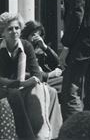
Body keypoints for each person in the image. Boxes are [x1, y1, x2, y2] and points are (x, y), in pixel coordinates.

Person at [0, 12, 63, 140]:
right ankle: (29, 137)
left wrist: (26, 81)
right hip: (5, 88)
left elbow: (37, 76)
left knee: (49, 91)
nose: (14, 31)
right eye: (10, 29)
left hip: (19, 84)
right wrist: (21, 83)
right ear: (3, 33)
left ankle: (53, 135)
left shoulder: (26, 46)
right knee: (15, 94)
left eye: (17, 28)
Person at [20, 21, 63, 91]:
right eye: (33, 35)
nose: (36, 38)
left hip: (43, 81)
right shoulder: (22, 50)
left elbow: (57, 62)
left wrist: (45, 47)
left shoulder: (39, 50)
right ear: (26, 35)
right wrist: (49, 75)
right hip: (33, 83)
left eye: (38, 36)